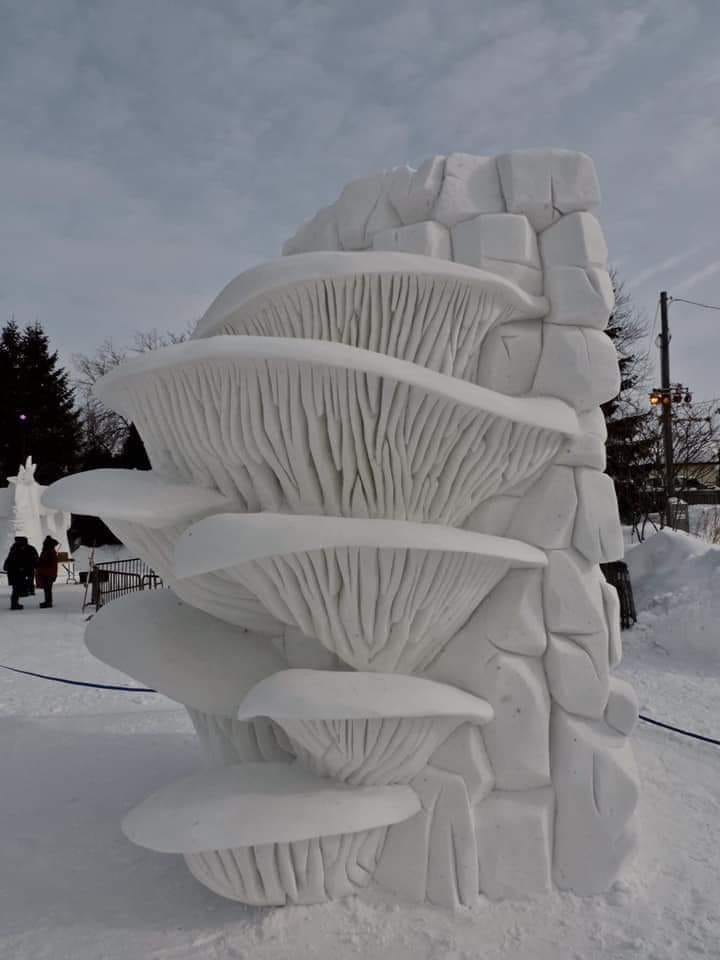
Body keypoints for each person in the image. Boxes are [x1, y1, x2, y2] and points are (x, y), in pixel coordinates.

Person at [3, 536, 39, 611]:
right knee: (16, 588)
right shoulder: (17, 550)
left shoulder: (15, 549)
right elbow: (15, 561)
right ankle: (14, 604)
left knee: (16, 588)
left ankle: (16, 602)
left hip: (17, 572)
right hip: (17, 573)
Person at [36, 536, 59, 609]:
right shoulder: (50, 551)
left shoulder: (49, 551)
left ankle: (48, 602)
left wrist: (39, 563)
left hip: (48, 572)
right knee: (47, 588)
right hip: (49, 572)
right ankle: (48, 601)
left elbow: (45, 562)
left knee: (47, 588)